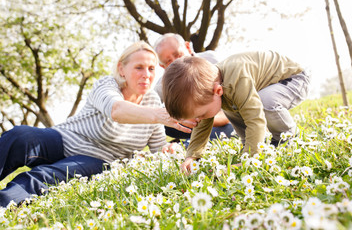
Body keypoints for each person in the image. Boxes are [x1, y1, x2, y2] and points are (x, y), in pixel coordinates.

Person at [0, 41, 197, 207]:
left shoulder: (153, 102)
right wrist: (160, 115)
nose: (146, 74)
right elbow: (116, 110)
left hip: (97, 159)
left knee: (44, 176)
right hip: (63, 139)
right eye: (139, 67)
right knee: (21, 136)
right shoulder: (107, 85)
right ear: (122, 68)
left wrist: (168, 151)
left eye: (152, 68)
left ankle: (4, 203)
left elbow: (158, 148)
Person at [162, 51, 310, 174]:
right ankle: (249, 145)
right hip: (265, 87)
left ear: (217, 90)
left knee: (265, 102)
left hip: (294, 79)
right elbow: (203, 124)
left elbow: (255, 120)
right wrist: (192, 156)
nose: (198, 120)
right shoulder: (210, 88)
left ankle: (287, 139)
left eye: (200, 115)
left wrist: (250, 160)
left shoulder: (238, 80)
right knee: (230, 107)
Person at [153, 33, 234, 142]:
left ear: (187, 47)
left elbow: (237, 100)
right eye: (168, 61)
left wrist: (207, 120)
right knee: (164, 120)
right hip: (192, 124)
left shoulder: (213, 60)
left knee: (231, 130)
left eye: (178, 54)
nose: (176, 62)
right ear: (163, 67)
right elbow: (150, 105)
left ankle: (190, 143)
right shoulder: (164, 83)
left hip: (225, 118)